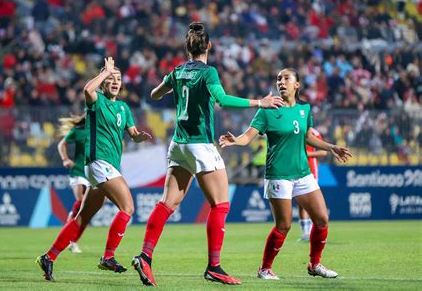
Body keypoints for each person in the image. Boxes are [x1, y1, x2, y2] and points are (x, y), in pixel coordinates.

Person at [131, 22, 284, 286]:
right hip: (200, 144)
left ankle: (145, 256)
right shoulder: (209, 72)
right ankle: (214, 266)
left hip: (178, 143)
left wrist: (173, 86)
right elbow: (222, 100)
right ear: (209, 46)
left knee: (167, 203)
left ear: (186, 47)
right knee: (221, 204)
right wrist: (260, 102)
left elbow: (156, 95)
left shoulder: (178, 71)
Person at [219, 68, 352, 280]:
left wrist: (330, 147)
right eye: (278, 78)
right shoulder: (266, 110)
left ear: (297, 84)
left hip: (302, 172)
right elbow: (248, 137)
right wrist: (236, 140)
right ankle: (264, 269)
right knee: (284, 225)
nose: (281, 82)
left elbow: (308, 137)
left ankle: (314, 264)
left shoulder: (304, 109)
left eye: (286, 78)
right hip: (278, 174)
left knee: (321, 219)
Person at [36, 57, 152, 281]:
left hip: (105, 166)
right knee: (127, 208)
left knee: (82, 218)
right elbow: (87, 89)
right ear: (104, 82)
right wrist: (104, 72)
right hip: (99, 162)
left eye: (118, 79)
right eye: (111, 78)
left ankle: (49, 257)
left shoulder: (123, 107)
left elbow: (133, 133)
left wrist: (139, 138)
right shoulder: (96, 100)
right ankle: (108, 256)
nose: (115, 81)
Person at [57, 113, 90, 253]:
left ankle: (73, 241)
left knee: (87, 210)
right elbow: (61, 144)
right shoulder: (78, 131)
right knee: (81, 200)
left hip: (93, 172)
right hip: (78, 170)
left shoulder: (101, 131)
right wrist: (65, 159)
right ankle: (69, 229)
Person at [298, 127, 327, 242]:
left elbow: (323, 151)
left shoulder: (314, 133)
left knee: (309, 201)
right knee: (300, 203)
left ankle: (310, 231)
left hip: (310, 170)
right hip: (296, 169)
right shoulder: (295, 128)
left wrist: (307, 153)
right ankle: (305, 232)